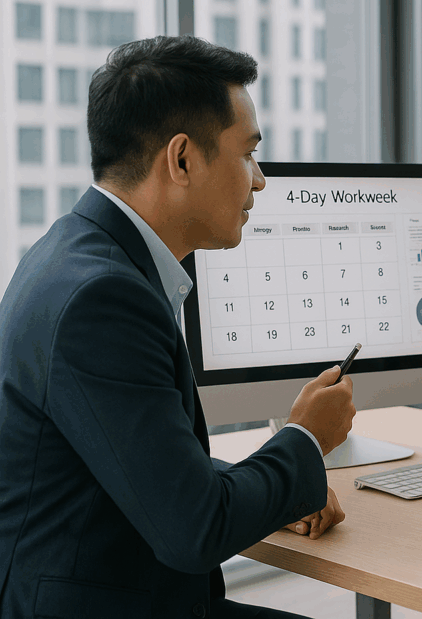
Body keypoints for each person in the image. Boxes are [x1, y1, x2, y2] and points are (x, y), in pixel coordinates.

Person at [0, 36, 357, 618]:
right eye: (248, 155)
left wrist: (277, 486)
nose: (260, 180)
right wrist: (307, 441)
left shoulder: (73, 254)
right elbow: (196, 530)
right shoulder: (103, 299)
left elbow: (139, 456)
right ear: (183, 159)